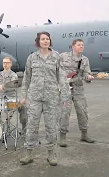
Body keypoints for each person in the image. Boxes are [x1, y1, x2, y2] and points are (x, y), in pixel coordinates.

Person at [19, 31, 70, 166]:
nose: (46, 41)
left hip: (52, 98)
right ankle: (28, 153)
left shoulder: (56, 57)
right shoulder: (32, 58)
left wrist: (65, 97)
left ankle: (51, 154)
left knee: (51, 126)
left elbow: (62, 77)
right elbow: (26, 78)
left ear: (50, 41)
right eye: (43, 39)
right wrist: (23, 95)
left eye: (47, 39)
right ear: (38, 42)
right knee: (32, 126)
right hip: (34, 97)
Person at [58, 39, 95, 147]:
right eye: (79, 45)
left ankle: (84, 134)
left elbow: (87, 74)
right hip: (65, 89)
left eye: (82, 45)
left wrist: (89, 77)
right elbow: (55, 69)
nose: (81, 47)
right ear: (73, 46)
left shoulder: (85, 60)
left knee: (82, 111)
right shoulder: (63, 56)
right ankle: (62, 136)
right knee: (64, 112)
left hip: (78, 89)